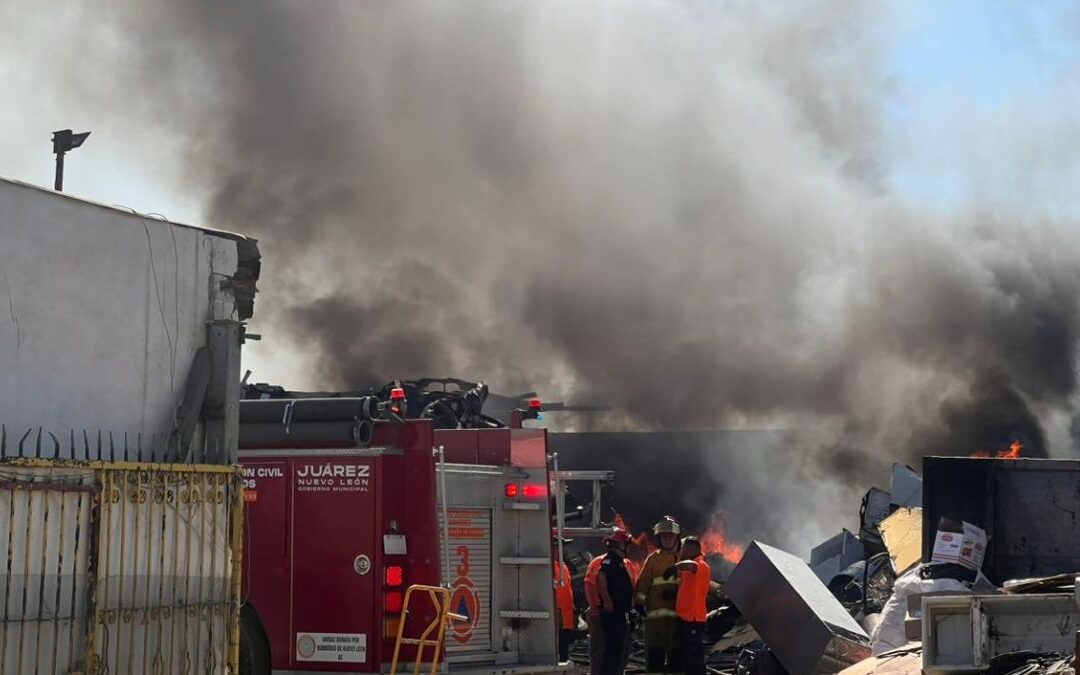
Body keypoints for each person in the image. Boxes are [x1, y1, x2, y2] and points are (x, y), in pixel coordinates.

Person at [635, 516, 683, 675]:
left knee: (676, 659)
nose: (667, 540)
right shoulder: (653, 559)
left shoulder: (684, 559)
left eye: (670, 536)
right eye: (664, 537)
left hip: (678, 619)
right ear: (659, 539)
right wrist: (639, 604)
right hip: (655, 620)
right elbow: (642, 584)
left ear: (677, 537)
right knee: (655, 657)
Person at [585, 547, 641, 675]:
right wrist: (595, 609)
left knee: (621, 651)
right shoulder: (599, 562)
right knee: (601, 651)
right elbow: (590, 584)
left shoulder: (627, 564)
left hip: (622, 615)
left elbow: (632, 588)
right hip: (602, 614)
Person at [664, 536, 711, 675]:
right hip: (684, 618)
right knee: (681, 656)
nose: (680, 550)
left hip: (694, 620)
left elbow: (691, 565)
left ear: (691, 549)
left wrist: (673, 568)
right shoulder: (688, 569)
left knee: (693, 659)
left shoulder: (701, 565)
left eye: (682, 546)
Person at [596, 527, 635, 675]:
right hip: (613, 613)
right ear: (617, 543)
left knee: (618, 649)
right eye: (625, 543)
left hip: (619, 612)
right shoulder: (610, 560)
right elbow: (600, 577)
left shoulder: (618, 561)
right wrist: (607, 601)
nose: (627, 546)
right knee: (612, 651)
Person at [553, 535, 575, 663]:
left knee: (563, 654)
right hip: (557, 619)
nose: (565, 549)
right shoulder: (548, 567)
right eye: (562, 546)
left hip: (565, 618)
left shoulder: (563, 566)